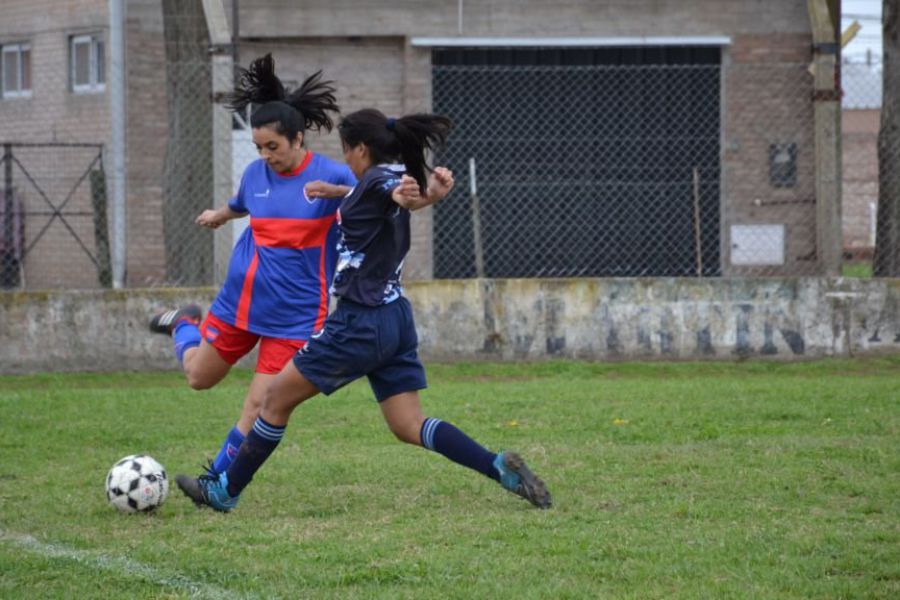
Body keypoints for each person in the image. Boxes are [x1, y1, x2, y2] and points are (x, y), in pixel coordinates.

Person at [175, 108, 552, 511]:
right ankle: (499, 468)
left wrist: (415, 196)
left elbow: (388, 193)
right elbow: (385, 195)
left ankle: (223, 491)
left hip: (359, 322)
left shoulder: (378, 182)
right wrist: (426, 196)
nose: (345, 160)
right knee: (409, 425)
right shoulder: (381, 178)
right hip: (396, 320)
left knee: (273, 402)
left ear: (360, 149)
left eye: (346, 150)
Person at [149, 54, 356, 477]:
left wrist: (338, 192)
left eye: (273, 147)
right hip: (239, 302)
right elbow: (241, 204)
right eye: (259, 147)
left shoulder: (334, 175)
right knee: (198, 378)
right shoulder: (254, 174)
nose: (265, 155)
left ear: (298, 139)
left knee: (262, 404)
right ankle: (183, 323)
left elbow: (376, 196)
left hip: (294, 315)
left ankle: (217, 481)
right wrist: (218, 216)